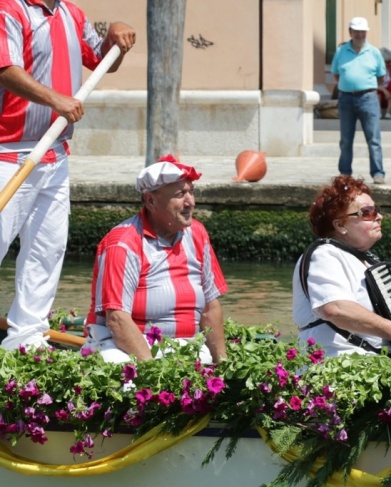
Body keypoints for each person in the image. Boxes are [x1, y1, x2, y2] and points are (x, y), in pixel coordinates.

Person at [0, 1, 135, 351]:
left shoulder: (72, 14)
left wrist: (114, 39)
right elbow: (4, 69)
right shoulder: (9, 10)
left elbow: (103, 58)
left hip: (56, 154)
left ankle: (26, 335)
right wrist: (54, 100)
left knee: (48, 247)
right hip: (9, 153)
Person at [84, 158, 228, 364]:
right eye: (180, 194)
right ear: (151, 201)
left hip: (188, 345)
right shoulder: (123, 244)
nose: (191, 202)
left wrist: (222, 365)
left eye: (191, 192)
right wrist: (154, 372)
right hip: (125, 346)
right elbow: (117, 319)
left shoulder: (197, 233)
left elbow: (210, 308)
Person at [292, 175, 391, 358]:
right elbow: (335, 308)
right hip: (340, 369)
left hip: (377, 368)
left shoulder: (367, 261)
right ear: (341, 225)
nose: (379, 217)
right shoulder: (324, 254)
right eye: (367, 212)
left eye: (377, 210)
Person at [331, 17, 387, 185]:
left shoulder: (374, 52)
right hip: (346, 98)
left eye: (362, 31)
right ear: (350, 32)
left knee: (374, 139)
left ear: (366, 32)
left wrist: (365, 87)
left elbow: (381, 77)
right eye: (356, 31)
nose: (360, 34)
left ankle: (378, 173)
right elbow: (336, 74)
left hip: (368, 98)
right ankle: (345, 174)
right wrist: (349, 85)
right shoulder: (341, 51)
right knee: (346, 139)